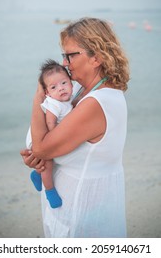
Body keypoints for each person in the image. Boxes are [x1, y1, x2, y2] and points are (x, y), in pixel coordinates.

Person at [20, 17, 130, 238]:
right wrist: (37, 157)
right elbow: (46, 145)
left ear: (96, 57)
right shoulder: (81, 91)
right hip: (70, 209)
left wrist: (37, 97)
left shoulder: (97, 103)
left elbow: (42, 147)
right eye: (63, 56)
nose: (64, 63)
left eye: (70, 55)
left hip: (84, 217)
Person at [26, 59, 73, 208]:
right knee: (48, 160)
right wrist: (54, 141)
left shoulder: (67, 100)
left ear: (71, 82)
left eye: (64, 83)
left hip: (48, 134)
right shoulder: (54, 104)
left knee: (48, 160)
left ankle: (37, 174)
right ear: (47, 93)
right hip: (40, 137)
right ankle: (50, 190)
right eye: (54, 87)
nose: (61, 89)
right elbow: (50, 123)